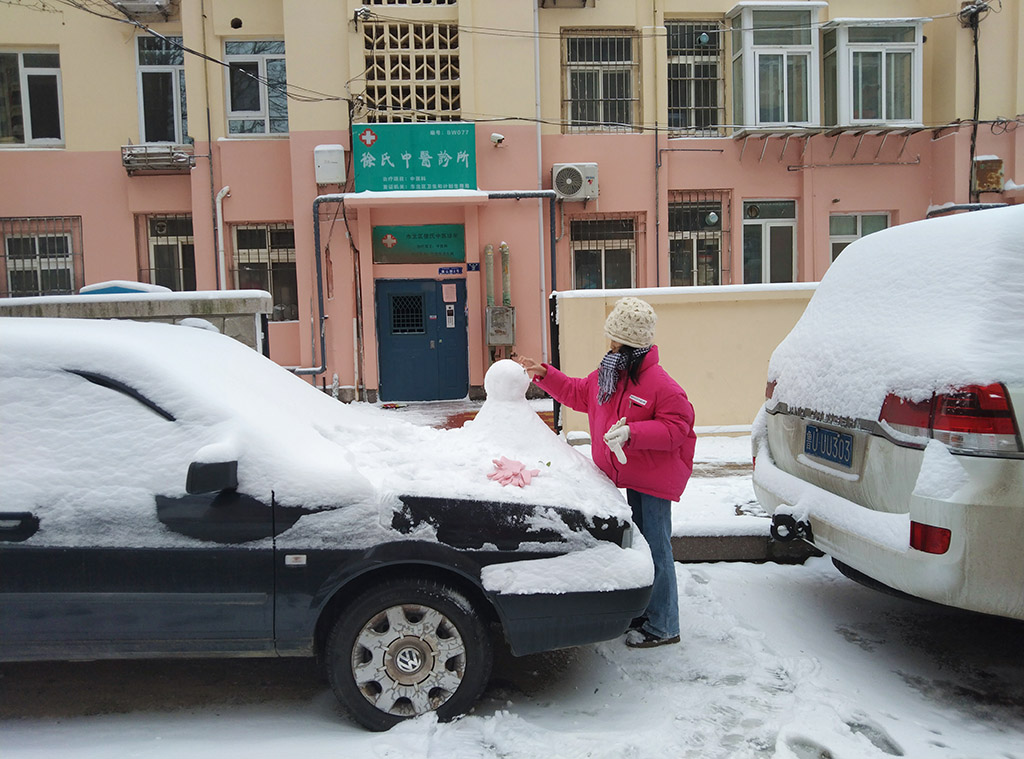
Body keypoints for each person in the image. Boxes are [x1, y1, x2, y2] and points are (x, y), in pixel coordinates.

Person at [517, 296, 696, 648]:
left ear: (633, 345)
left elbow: (680, 427)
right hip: (628, 474)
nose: (610, 346)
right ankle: (648, 611)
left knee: (657, 548)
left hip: (654, 480)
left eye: (616, 341)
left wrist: (634, 433)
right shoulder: (610, 375)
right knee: (641, 548)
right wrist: (544, 374)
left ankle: (665, 625)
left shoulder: (660, 384)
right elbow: (577, 393)